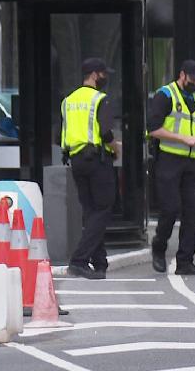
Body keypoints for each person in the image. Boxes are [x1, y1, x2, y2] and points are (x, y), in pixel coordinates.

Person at [60, 57, 121, 280]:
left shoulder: (68, 100)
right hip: (97, 160)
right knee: (103, 209)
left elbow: (64, 133)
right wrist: (116, 147)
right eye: (103, 74)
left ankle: (99, 262)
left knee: (91, 212)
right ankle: (78, 261)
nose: (105, 78)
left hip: (76, 159)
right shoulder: (99, 99)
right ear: (95, 75)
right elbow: (105, 133)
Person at [148, 59, 195, 275]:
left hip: (191, 162)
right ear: (182, 75)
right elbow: (153, 129)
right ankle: (159, 246)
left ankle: (185, 261)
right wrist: (184, 139)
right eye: (192, 79)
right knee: (170, 208)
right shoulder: (165, 95)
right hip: (169, 160)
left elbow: (194, 128)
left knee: (192, 212)